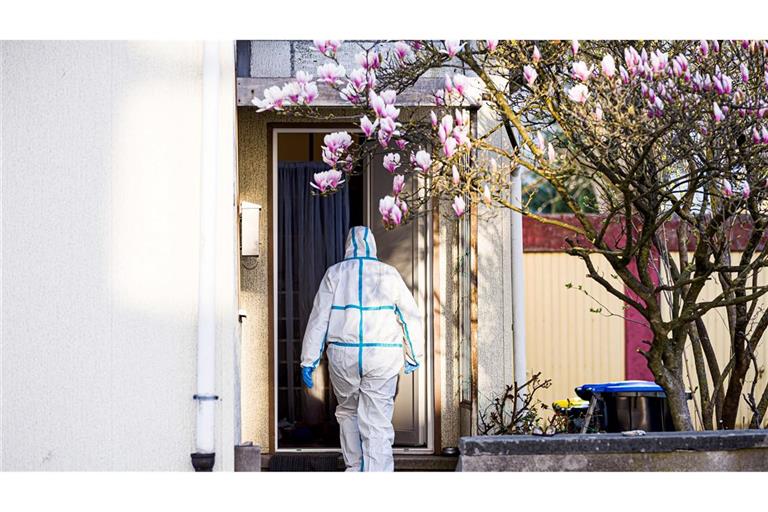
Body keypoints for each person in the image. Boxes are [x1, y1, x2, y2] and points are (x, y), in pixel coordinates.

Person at [300, 225, 423, 472]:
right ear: (374, 246)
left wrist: (308, 359)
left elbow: (318, 318)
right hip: (381, 354)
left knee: (347, 411)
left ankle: (355, 468)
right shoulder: (389, 274)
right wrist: (413, 354)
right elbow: (410, 315)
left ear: (347, 246)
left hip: (343, 355)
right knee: (377, 419)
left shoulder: (335, 273)